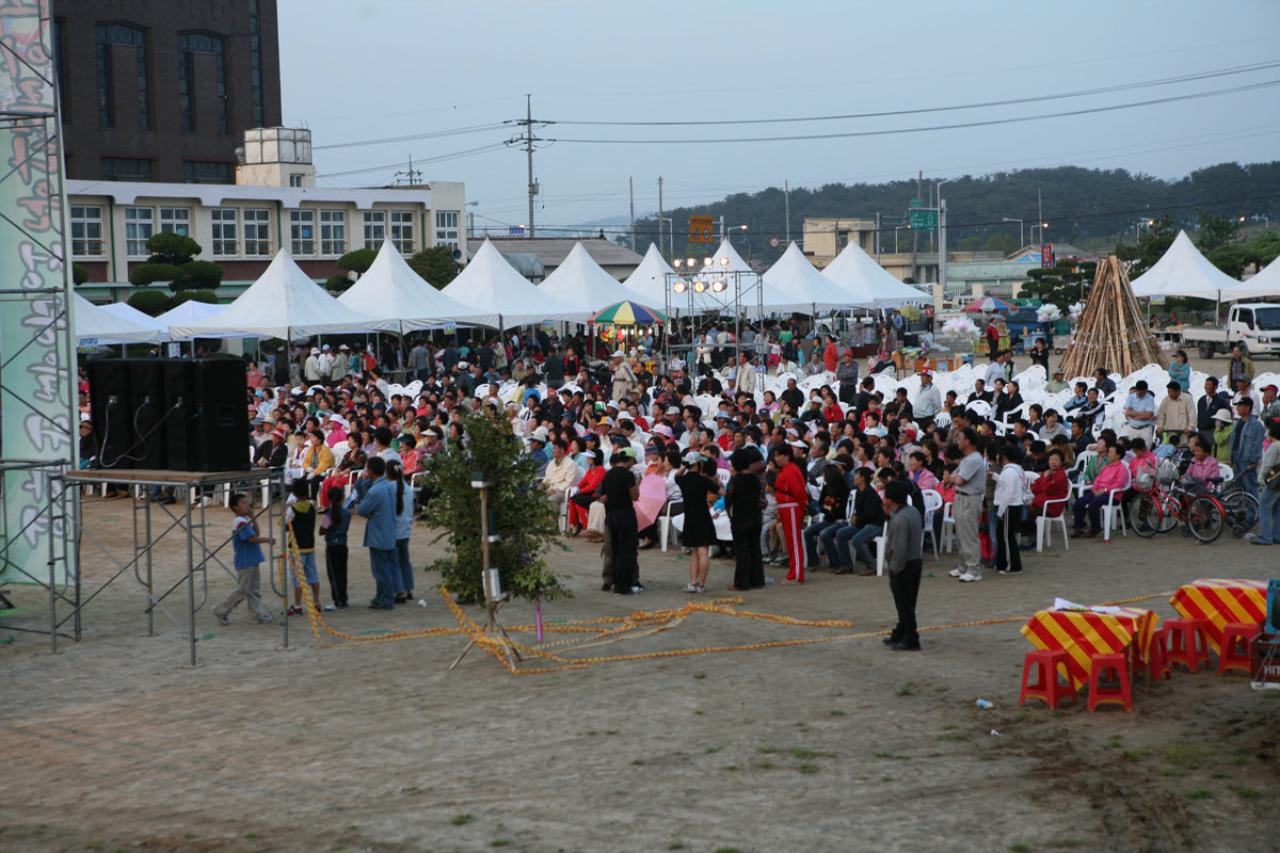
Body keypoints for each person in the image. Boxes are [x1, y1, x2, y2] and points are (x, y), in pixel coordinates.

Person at [213, 493, 273, 625]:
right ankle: (221, 610)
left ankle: (256, 615)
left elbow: (256, 533)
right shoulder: (239, 522)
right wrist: (267, 540)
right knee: (243, 590)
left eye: (247, 503)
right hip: (246, 560)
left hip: (252, 558)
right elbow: (251, 539)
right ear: (235, 507)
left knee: (254, 590)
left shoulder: (245, 520)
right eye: (243, 503)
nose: (247, 505)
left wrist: (253, 517)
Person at [881, 479, 923, 652]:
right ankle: (901, 631)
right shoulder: (912, 511)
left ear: (891, 500)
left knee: (904, 603)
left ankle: (911, 637)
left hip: (904, 565)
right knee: (907, 602)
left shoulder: (899, 519)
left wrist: (894, 569)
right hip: (915, 562)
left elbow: (899, 549)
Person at [355, 456, 398, 609]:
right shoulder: (389, 487)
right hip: (390, 531)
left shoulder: (375, 490)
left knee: (380, 570)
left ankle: (385, 599)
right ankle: (382, 596)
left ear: (371, 471)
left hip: (378, 534)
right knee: (386, 567)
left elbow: (361, 509)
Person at [947, 428, 987, 583]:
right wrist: (953, 478)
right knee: (961, 534)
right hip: (960, 497)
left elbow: (958, 480)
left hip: (970, 498)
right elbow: (952, 477)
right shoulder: (967, 458)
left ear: (968, 441)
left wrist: (953, 478)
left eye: (960, 438)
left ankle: (974, 569)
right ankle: (963, 566)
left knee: (969, 535)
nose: (958, 441)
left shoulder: (974, 459)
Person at [677, 453, 721, 593]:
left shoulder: (682, 480)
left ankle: (693, 582)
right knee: (703, 551)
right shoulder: (704, 481)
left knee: (694, 551)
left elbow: (677, 474)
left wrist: (685, 465)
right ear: (698, 464)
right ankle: (701, 585)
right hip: (703, 516)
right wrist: (717, 482)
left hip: (689, 517)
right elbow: (722, 491)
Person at [602, 449, 642, 595]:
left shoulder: (608, 474)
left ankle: (613, 580)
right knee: (627, 550)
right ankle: (624, 585)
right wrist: (636, 483)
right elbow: (635, 496)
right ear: (629, 459)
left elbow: (603, 495)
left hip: (611, 515)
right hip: (625, 515)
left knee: (615, 550)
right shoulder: (628, 475)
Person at [726, 448, 765, 590]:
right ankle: (757, 580)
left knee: (742, 551)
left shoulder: (735, 481)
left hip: (740, 519)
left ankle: (742, 583)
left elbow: (728, 499)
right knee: (755, 549)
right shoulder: (755, 479)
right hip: (755, 517)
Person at [1071, 442, 1127, 538]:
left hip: (1111, 495)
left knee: (1093, 504)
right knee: (1079, 503)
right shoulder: (1107, 467)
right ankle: (1079, 527)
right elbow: (1097, 479)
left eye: (1111, 452)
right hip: (1098, 492)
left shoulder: (1121, 469)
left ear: (1118, 455)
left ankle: (1095, 528)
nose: (1108, 454)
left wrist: (1104, 490)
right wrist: (1094, 489)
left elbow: (1118, 485)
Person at [772, 443, 808, 584]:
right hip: (787, 508)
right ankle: (794, 572)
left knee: (794, 542)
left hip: (791, 508)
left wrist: (801, 508)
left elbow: (799, 492)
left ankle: (797, 574)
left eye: (778, 455)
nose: (776, 458)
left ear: (786, 456)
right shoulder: (786, 469)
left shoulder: (790, 470)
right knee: (791, 541)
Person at [284, 479, 320, 616]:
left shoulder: (292, 509)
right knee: (313, 575)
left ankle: (298, 605)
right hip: (310, 545)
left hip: (296, 547)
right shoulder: (312, 507)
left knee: (297, 577)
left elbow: (285, 525)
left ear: (294, 492)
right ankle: (317, 602)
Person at [991, 443, 1025, 575]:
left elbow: (1008, 493)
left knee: (1006, 537)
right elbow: (1006, 484)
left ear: (1004, 456)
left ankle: (1013, 565)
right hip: (1010, 507)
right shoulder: (1013, 470)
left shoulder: (1010, 471)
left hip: (1009, 508)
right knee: (1003, 536)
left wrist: (1000, 511)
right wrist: (995, 476)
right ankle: (1002, 563)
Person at [386, 459, 416, 604]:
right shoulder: (408, 489)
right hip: (405, 529)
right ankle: (408, 588)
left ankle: (399, 591)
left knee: (394, 562)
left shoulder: (388, 488)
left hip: (394, 530)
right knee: (405, 560)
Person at [1247, 420, 1280, 545]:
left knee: (1264, 507)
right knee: (1277, 508)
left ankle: (1265, 536)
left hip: (1274, 482)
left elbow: (1267, 466)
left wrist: (1261, 479)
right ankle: (1277, 535)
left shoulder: (1273, 447)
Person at [1229, 397, 1265, 510]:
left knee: (1250, 487)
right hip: (1236, 458)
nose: (1238, 408)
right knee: (1238, 487)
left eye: (1240, 406)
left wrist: (1254, 460)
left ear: (1247, 407)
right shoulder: (1238, 423)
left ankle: (1253, 513)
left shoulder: (1256, 425)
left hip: (1247, 459)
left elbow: (1258, 444)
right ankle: (1241, 513)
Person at [321, 485, 350, 610]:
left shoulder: (328, 515)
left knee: (333, 574)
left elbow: (322, 530)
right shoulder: (347, 514)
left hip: (332, 545)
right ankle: (343, 598)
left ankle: (338, 600)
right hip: (342, 544)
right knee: (342, 573)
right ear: (342, 498)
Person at [567, 449, 605, 536]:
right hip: (588, 494)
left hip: (595, 496)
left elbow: (593, 486)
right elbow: (583, 482)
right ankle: (578, 525)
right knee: (575, 501)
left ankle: (576, 525)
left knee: (575, 499)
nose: (587, 458)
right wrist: (577, 487)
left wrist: (579, 491)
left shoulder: (600, 470)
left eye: (589, 457)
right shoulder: (590, 469)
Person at [1156, 380, 1194, 446]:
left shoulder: (1187, 399)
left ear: (1178, 391)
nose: (1170, 394)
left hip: (1185, 433)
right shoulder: (1166, 400)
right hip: (1170, 433)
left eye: (1171, 392)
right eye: (1168, 392)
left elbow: (1192, 414)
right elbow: (1161, 414)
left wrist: (1190, 427)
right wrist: (1160, 426)